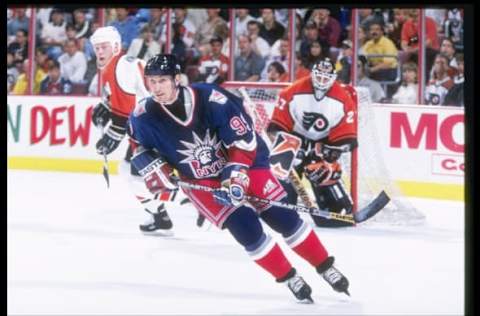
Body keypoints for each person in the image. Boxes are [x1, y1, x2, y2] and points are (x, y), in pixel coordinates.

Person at [128, 53, 350, 303]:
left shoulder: (210, 98)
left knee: (282, 217)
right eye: (152, 81)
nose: (156, 88)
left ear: (176, 79)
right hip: (202, 181)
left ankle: (325, 266)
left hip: (245, 161)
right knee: (246, 228)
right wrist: (152, 166)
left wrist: (235, 177)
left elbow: (244, 140)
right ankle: (289, 277)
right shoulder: (142, 115)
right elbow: (138, 147)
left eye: (162, 81)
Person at [89, 26, 174, 235]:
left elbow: (129, 108)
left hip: (158, 128)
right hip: (151, 128)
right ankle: (160, 215)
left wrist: (114, 133)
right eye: (97, 47)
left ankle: (175, 200)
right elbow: (129, 98)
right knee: (128, 171)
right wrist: (107, 105)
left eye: (104, 47)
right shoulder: (114, 66)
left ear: (116, 46)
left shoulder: (122, 66)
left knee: (136, 177)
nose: (100, 52)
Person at [267, 57, 358, 228]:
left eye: (326, 77)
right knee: (284, 172)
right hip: (294, 138)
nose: (322, 81)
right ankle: (279, 206)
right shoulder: (292, 91)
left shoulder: (343, 98)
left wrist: (331, 153)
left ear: (333, 78)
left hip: (322, 144)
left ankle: (334, 208)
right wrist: (292, 149)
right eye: (319, 76)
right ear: (312, 74)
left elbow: (347, 138)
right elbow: (276, 127)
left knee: (321, 170)